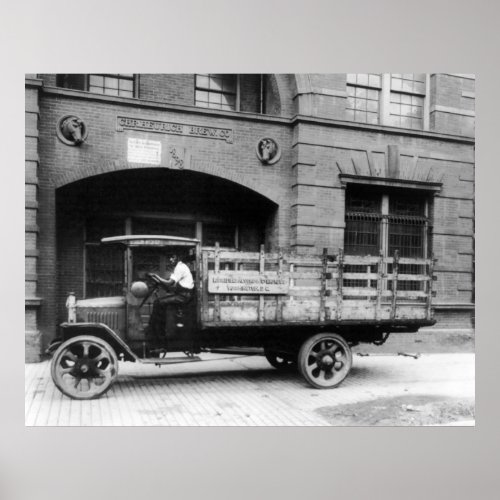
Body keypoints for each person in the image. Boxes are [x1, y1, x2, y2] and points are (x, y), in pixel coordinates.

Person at [146, 253, 194, 340]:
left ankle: (158, 333)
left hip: (183, 296)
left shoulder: (180, 267)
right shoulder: (178, 267)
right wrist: (158, 281)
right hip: (182, 294)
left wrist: (156, 276)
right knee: (159, 302)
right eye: (170, 257)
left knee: (158, 302)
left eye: (173, 257)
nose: (171, 259)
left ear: (178, 258)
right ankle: (156, 330)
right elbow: (169, 285)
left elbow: (169, 283)